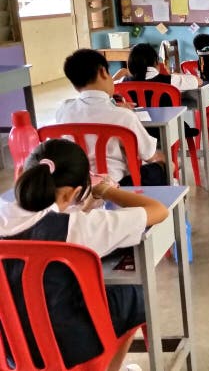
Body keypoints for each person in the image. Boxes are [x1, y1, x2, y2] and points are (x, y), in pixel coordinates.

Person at [0, 139, 168, 370]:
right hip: (68, 346)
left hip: (8, 346)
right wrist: (107, 191)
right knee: (134, 296)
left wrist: (79, 205)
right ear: (72, 194)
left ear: (22, 177)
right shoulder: (76, 227)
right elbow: (158, 211)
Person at [56, 49, 167, 186]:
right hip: (117, 185)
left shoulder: (63, 110)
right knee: (164, 163)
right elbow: (149, 155)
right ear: (103, 72)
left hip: (77, 184)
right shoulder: (124, 117)